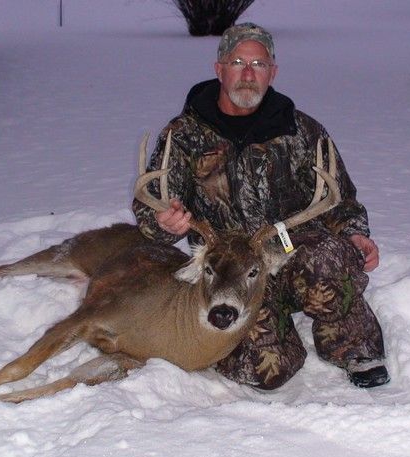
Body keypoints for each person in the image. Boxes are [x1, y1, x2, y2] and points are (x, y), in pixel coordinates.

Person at [133, 23, 389, 390]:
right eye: (238, 62)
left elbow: (340, 199)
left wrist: (355, 234)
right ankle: (271, 330)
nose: (248, 74)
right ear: (219, 68)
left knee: (330, 256)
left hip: (291, 252)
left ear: (273, 72)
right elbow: (150, 208)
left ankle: (353, 346)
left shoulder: (302, 131)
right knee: (267, 372)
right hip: (228, 271)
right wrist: (164, 223)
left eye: (259, 64)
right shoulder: (185, 135)